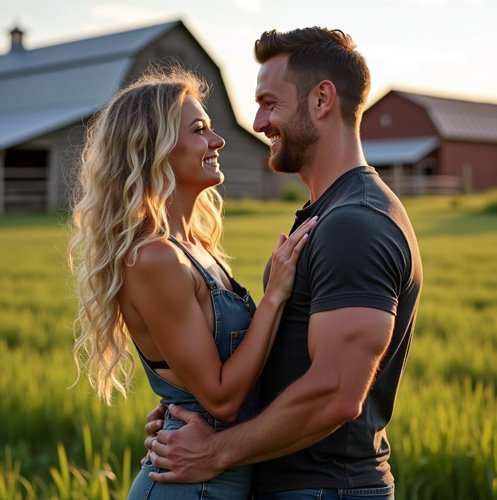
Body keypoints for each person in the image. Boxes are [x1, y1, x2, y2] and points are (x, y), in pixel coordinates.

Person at [144, 27, 423, 499]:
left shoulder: (355, 222)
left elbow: (335, 394)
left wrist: (216, 451)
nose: (257, 122)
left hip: (324, 489)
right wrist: (188, 407)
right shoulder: (327, 214)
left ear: (321, 100)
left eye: (270, 103)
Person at [68, 66, 317, 499]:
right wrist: (275, 295)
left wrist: (175, 407)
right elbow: (221, 399)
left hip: (214, 479)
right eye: (200, 130)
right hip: (189, 488)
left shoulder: (194, 247)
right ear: (155, 148)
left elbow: (202, 377)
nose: (218, 141)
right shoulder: (156, 257)